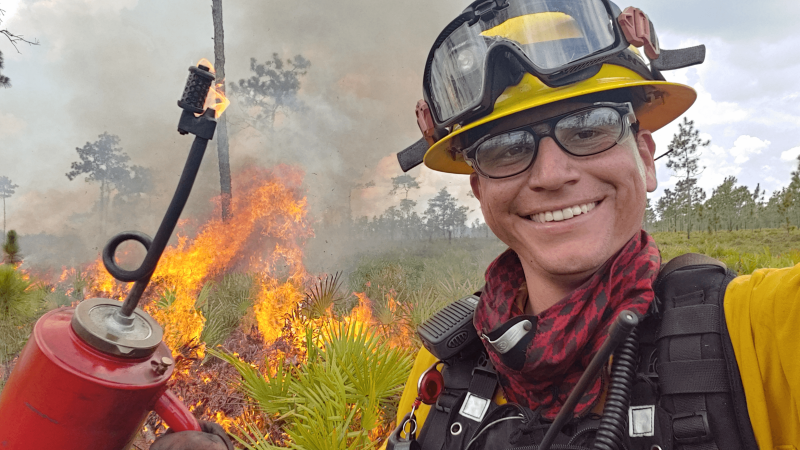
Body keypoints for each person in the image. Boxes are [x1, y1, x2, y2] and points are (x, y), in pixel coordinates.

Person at [386, 1, 800, 450]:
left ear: (645, 159)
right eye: (505, 149)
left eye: (588, 129)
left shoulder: (758, 331)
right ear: (481, 192)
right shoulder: (443, 368)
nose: (551, 175)